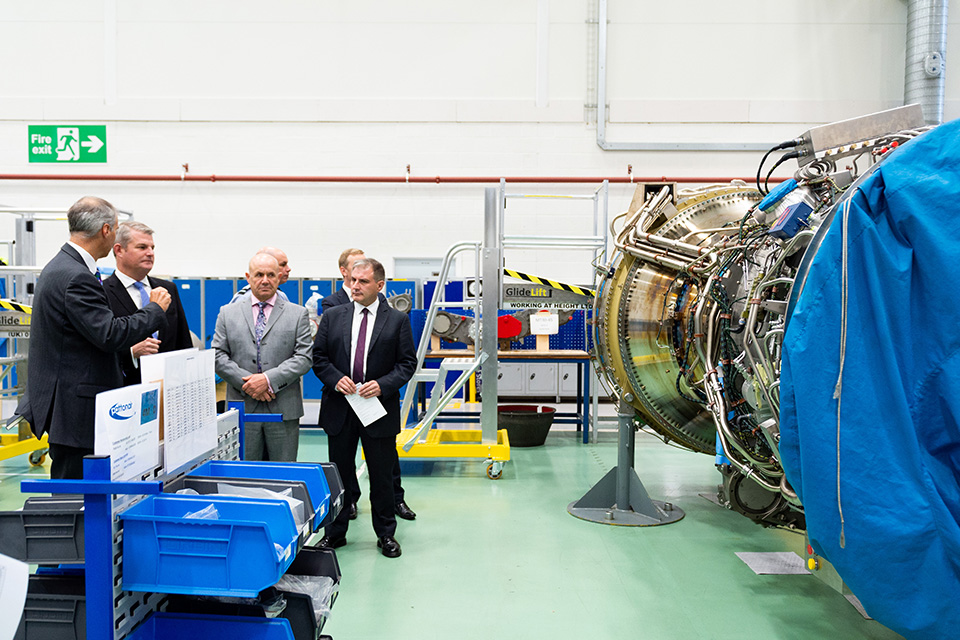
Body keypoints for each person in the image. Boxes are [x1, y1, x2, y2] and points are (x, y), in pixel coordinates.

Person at [16, 196, 171, 479]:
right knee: (75, 498)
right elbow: (109, 334)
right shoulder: (75, 275)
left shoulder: (65, 267)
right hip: (75, 411)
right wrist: (155, 310)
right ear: (106, 231)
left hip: (72, 405)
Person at [313, 258, 417, 558]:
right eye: (353, 280)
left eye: (363, 281)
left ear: (379, 286)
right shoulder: (333, 316)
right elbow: (319, 358)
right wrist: (336, 380)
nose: (355, 286)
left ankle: (386, 535)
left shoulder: (397, 320)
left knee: (382, 476)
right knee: (340, 475)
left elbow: (406, 363)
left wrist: (383, 384)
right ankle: (335, 533)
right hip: (341, 408)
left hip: (377, 409)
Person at [213, 252, 312, 461]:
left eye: (270, 275)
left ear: (279, 277)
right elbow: (218, 355)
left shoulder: (298, 314)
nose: (265, 280)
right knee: (244, 477)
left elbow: (303, 357)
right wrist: (249, 384)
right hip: (242, 406)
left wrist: (267, 380)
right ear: (248, 277)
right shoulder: (227, 313)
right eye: (259, 275)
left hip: (284, 408)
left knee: (283, 476)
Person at [103, 221, 193, 385]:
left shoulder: (167, 289)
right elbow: (99, 349)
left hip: (169, 388)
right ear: (119, 250)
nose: (150, 253)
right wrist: (131, 352)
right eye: (142, 247)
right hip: (125, 390)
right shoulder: (104, 292)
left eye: (152, 248)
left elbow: (183, 342)